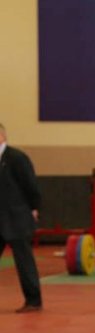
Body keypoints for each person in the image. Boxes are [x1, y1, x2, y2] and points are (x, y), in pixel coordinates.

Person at [0, 122, 43, 313]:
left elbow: (30, 185)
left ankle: (33, 301)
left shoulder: (17, 158)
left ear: (1, 136)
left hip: (16, 218)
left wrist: (34, 207)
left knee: (24, 261)